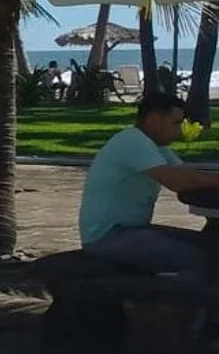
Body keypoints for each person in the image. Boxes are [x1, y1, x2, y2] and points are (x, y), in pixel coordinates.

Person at [80, 91, 219, 286]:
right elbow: (178, 182)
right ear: (154, 120)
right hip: (108, 236)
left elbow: (186, 173)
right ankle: (181, 303)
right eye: (176, 123)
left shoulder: (155, 146)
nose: (179, 130)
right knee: (194, 257)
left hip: (132, 229)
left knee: (209, 245)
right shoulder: (132, 142)